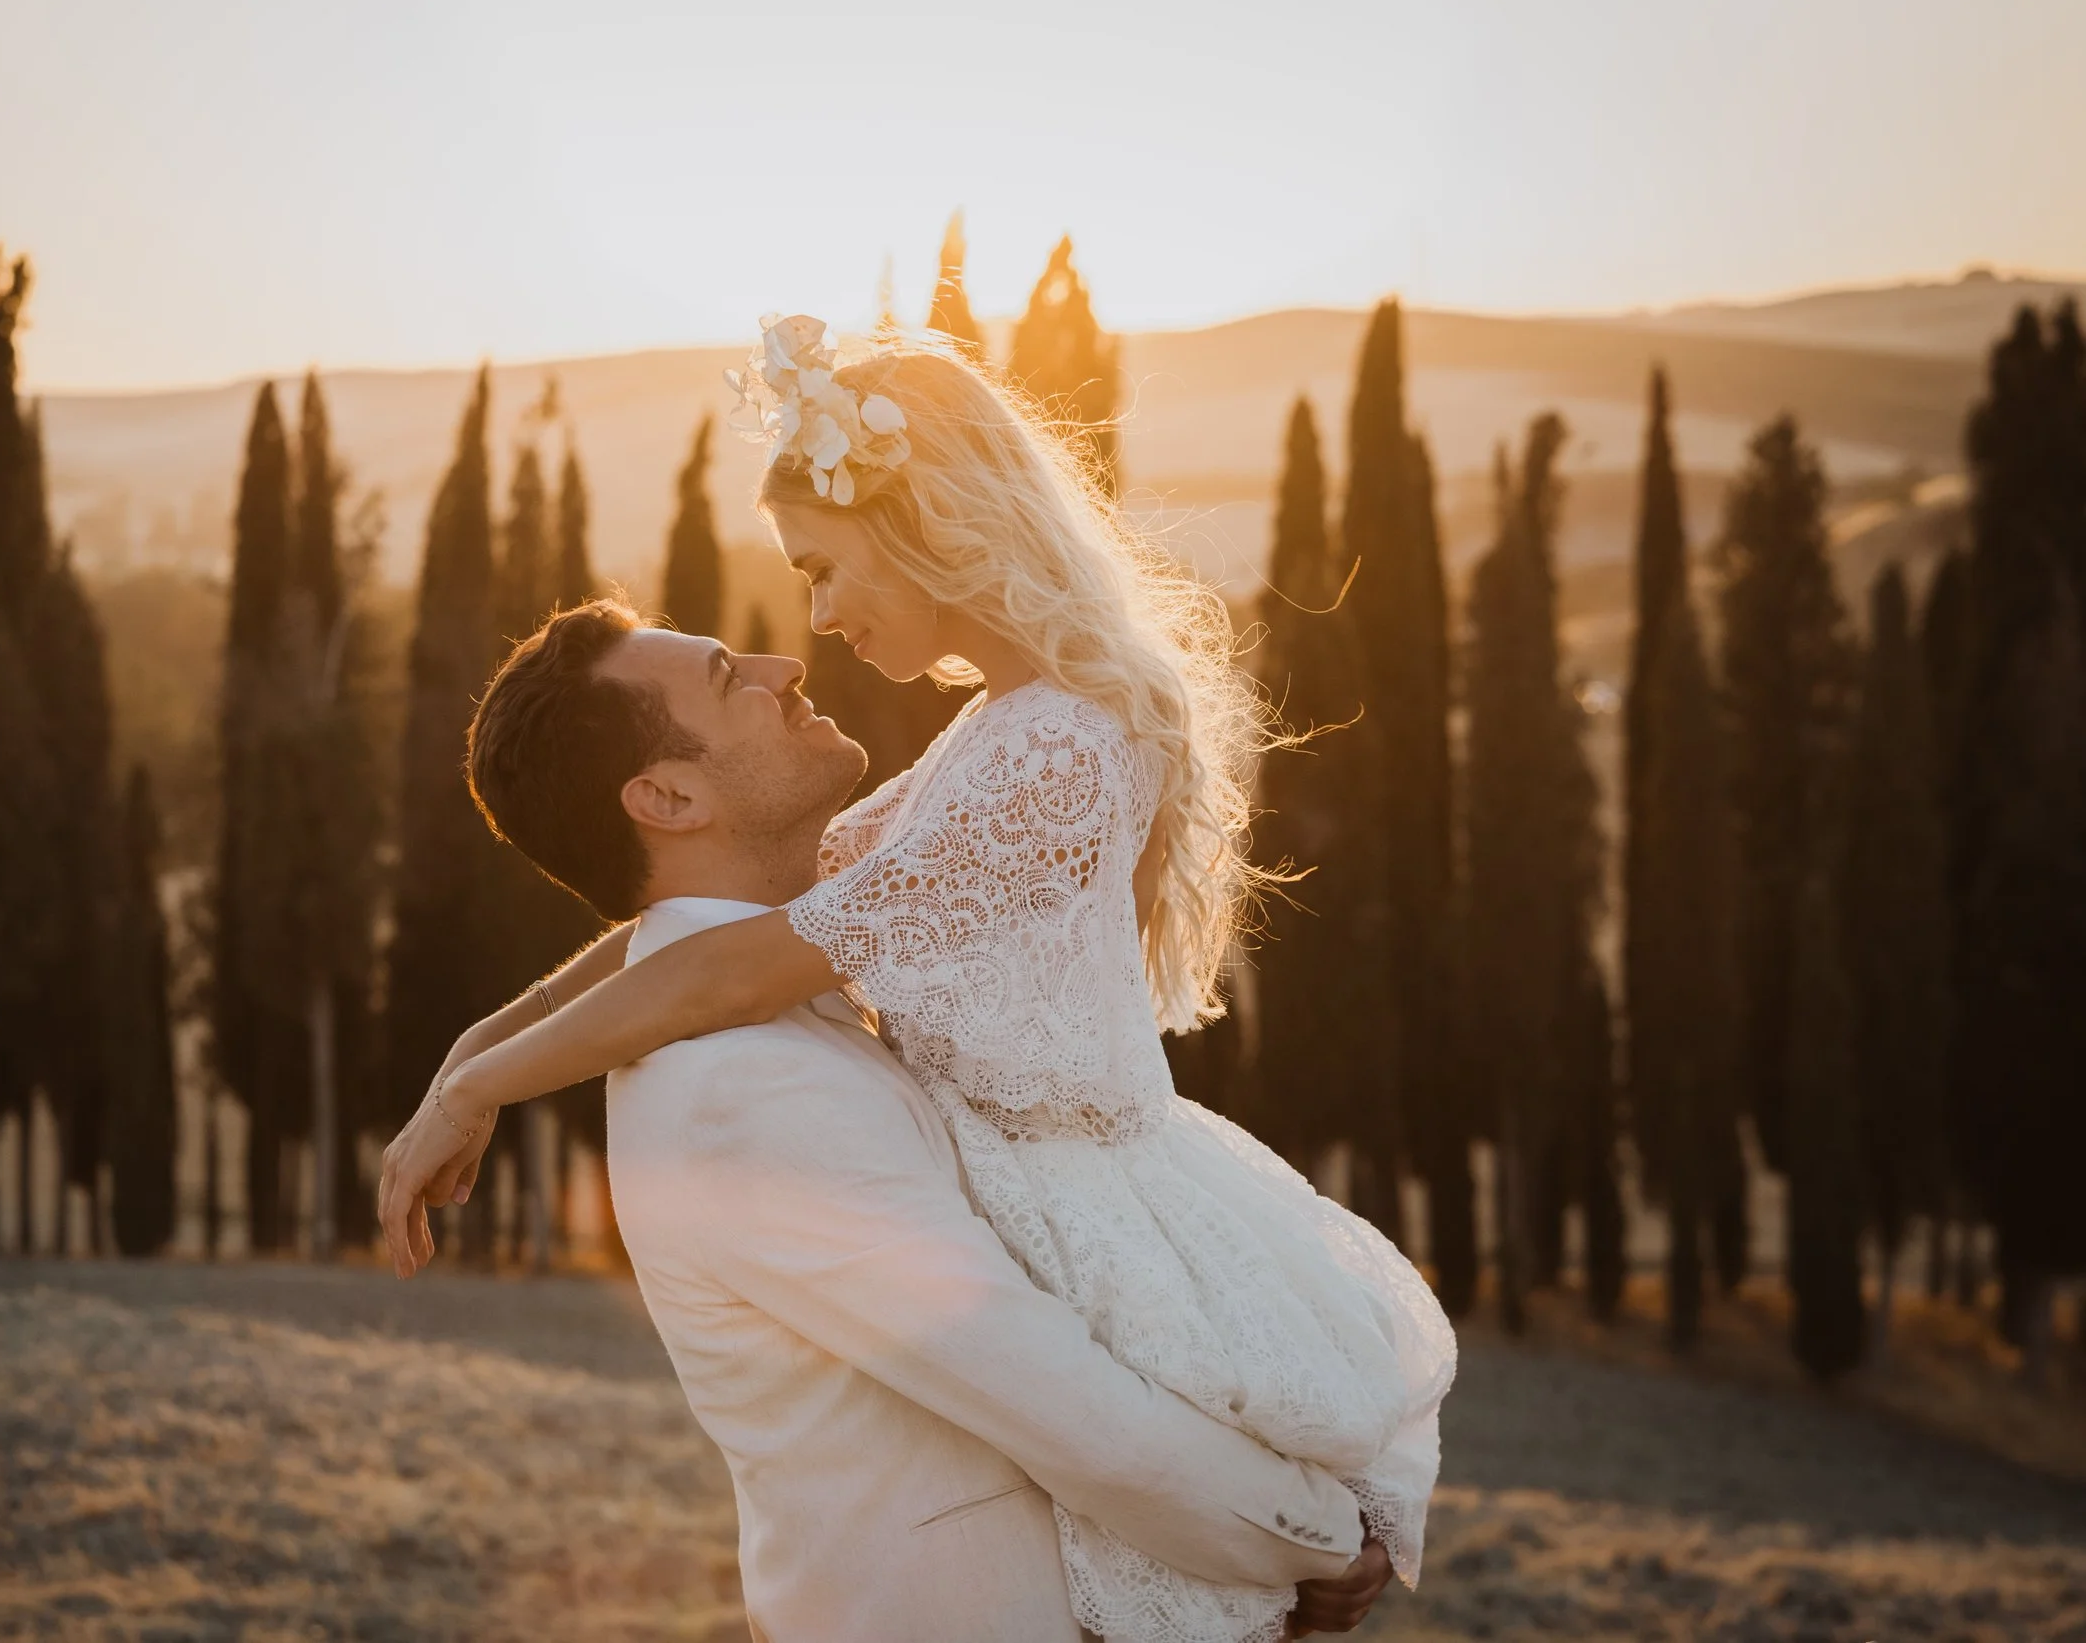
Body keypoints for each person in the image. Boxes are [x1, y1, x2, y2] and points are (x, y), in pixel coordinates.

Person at [378, 317, 1454, 1643]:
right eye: (742, 658)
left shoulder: (1038, 747)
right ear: (665, 792)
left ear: (932, 520)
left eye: (823, 571)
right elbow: (699, 952)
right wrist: (474, 1058)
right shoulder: (969, 771)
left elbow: (717, 951)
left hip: (1088, 1198)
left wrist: (476, 1076)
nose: (800, 636)